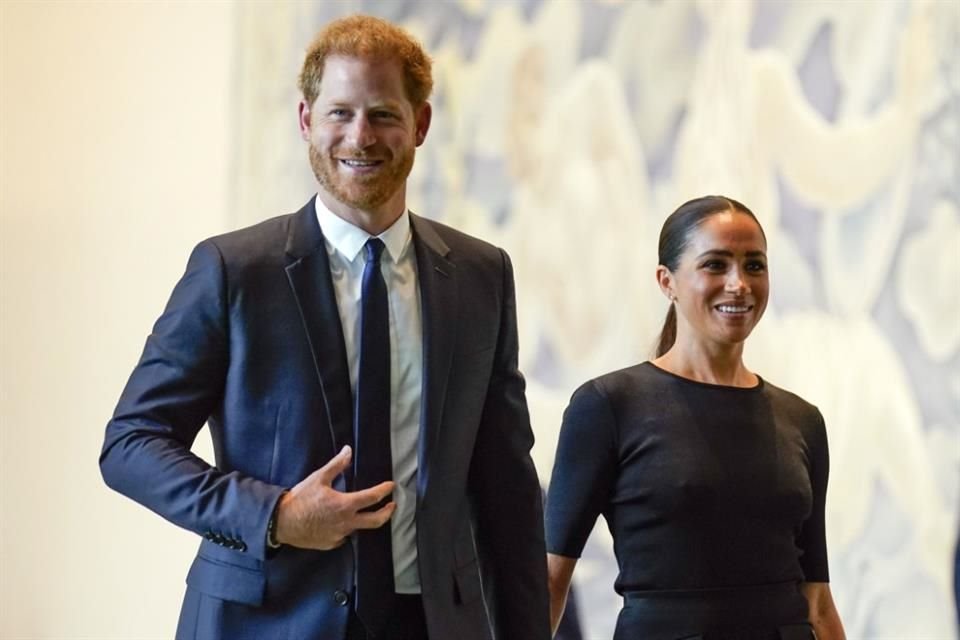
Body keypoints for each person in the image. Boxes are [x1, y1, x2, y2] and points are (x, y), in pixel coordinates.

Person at [100, 15, 549, 640]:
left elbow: (508, 489)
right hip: (262, 621)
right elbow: (131, 444)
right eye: (340, 113)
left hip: (430, 624)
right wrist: (275, 514)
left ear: (420, 124)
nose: (360, 137)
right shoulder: (233, 270)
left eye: (384, 114)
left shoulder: (481, 276)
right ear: (306, 119)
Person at [544, 195, 845, 640]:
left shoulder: (802, 420)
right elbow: (551, 580)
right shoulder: (608, 405)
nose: (739, 283)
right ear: (667, 282)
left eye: (754, 265)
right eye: (715, 265)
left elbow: (817, 600)